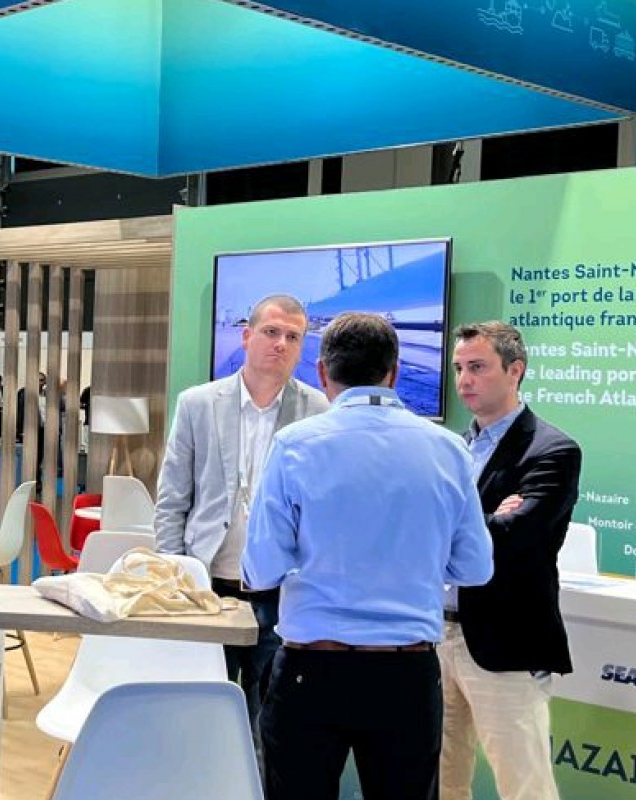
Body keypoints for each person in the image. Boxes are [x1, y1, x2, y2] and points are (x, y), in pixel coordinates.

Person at [243, 312, 494, 800]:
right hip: (407, 674)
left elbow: (262, 570)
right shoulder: (448, 450)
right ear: (393, 373)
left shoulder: (294, 445)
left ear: (322, 372)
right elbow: (475, 568)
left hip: (311, 669)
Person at [154, 294, 328, 725]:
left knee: (273, 721)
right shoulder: (198, 404)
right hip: (207, 587)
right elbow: (172, 498)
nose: (281, 344)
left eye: (293, 337)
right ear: (247, 336)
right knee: (200, 713)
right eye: (271, 332)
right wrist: (176, 575)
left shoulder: (317, 412)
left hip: (281, 593)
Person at [440, 321, 581, 800]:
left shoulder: (552, 450)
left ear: (514, 370)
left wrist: (455, 525)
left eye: (478, 367)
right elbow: (437, 527)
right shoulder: (450, 448)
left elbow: (513, 536)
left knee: (524, 785)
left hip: (506, 641)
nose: (464, 380)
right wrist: (483, 519)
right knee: (440, 780)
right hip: (437, 633)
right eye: (459, 368)